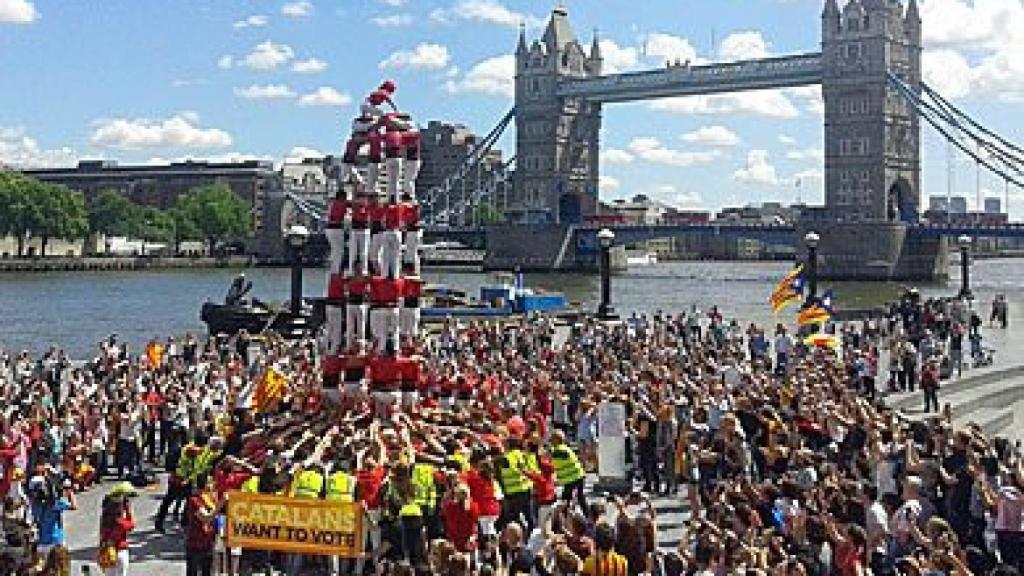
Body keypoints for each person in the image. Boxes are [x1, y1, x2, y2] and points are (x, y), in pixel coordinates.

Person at [184, 475, 218, 576]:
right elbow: (206, 517)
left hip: (208, 542)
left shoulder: (210, 499)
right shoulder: (195, 500)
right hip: (195, 543)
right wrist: (222, 503)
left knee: (206, 571)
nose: (213, 484)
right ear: (205, 485)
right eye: (210, 482)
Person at [98, 494, 134, 576]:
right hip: (120, 551)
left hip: (107, 552)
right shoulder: (120, 522)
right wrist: (128, 510)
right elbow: (131, 526)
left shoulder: (104, 520)